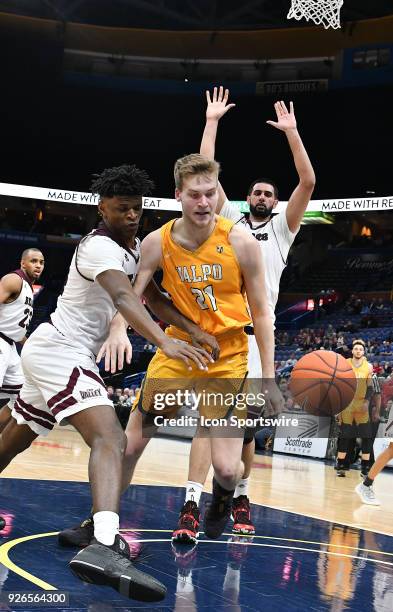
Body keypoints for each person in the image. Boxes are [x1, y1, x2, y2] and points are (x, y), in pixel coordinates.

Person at [0, 165, 216, 602]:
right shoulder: (98, 247)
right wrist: (164, 343)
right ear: (102, 208)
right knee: (110, 437)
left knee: (14, 440)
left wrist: (190, 328)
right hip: (62, 349)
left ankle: (95, 537)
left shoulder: (132, 248)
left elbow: (149, 296)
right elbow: (121, 296)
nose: (132, 216)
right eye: (122, 209)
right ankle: (103, 545)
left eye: (137, 209)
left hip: (53, 350)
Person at [58, 153, 279, 549]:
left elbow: (262, 315)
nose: (204, 202)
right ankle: (100, 521)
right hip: (178, 349)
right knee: (131, 440)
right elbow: (135, 292)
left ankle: (223, 498)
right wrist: (118, 329)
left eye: (210, 193)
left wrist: (271, 380)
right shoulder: (157, 242)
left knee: (228, 469)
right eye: (195, 195)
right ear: (178, 195)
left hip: (228, 355)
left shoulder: (240, 241)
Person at [172, 87, 315, 542]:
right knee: (207, 421)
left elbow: (307, 182)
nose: (262, 196)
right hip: (224, 334)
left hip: (260, 337)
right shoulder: (229, 223)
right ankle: (192, 502)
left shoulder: (283, 228)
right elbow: (203, 176)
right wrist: (211, 122)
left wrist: (292, 134)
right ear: (244, 197)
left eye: (269, 192)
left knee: (246, 431)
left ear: (275, 202)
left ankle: (238, 495)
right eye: (256, 190)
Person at [0, 248, 45, 432]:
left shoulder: (28, 288)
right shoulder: (14, 280)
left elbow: (16, 330)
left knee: (23, 394)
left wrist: (31, 346)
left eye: (41, 262)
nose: (38, 265)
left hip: (10, 347)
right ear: (22, 263)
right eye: (34, 261)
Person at [336, 339, 374, 478]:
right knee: (345, 436)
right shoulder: (345, 364)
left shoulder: (369, 367)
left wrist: (367, 402)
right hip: (347, 403)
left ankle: (365, 467)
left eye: (360, 349)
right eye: (356, 349)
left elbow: (370, 387)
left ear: (364, 352)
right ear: (352, 351)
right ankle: (341, 465)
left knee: (365, 437)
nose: (358, 351)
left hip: (361, 404)